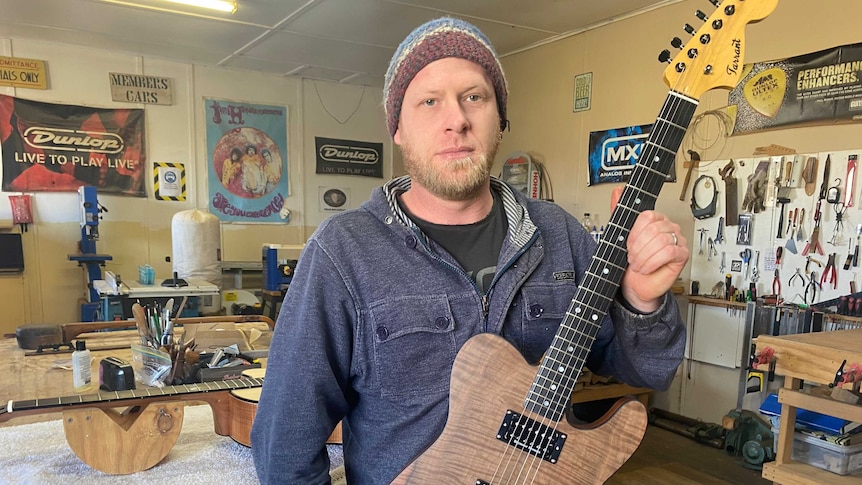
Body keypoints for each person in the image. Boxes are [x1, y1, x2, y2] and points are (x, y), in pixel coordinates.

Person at [251, 16, 689, 484]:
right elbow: (285, 442)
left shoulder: (558, 233)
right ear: (397, 127)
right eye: (429, 102)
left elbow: (647, 369)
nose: (455, 120)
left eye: (474, 97)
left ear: (499, 118)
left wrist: (643, 302)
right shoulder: (343, 253)